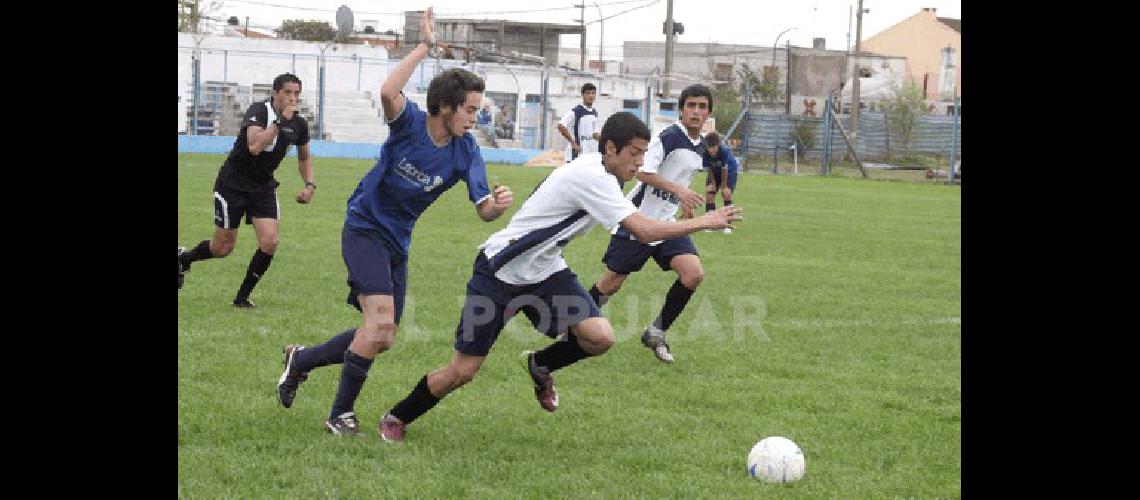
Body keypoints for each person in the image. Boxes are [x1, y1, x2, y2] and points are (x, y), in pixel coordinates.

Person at [374, 112, 741, 442]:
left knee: (599, 337)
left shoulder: (603, 174)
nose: (640, 162)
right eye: (634, 153)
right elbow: (643, 231)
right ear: (610, 148)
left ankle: (541, 364)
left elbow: (640, 225)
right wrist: (705, 221)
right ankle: (397, 416)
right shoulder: (592, 176)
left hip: (546, 270)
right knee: (463, 371)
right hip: (500, 272)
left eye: (644, 154)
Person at [273, 7, 515, 436]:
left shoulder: (467, 152)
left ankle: (302, 360)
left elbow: (482, 209)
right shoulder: (411, 124)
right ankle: (339, 416)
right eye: (471, 109)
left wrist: (497, 205)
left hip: (398, 242)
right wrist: (424, 46)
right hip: (364, 226)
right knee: (379, 323)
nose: (476, 118)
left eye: (478, 110)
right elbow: (388, 90)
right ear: (445, 107)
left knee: (382, 335)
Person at [587, 84, 716, 364]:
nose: (696, 111)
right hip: (638, 221)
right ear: (681, 110)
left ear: (708, 113)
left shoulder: (701, 145)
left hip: (667, 224)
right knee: (610, 285)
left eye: (702, 106)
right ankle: (572, 327)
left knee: (692, 274)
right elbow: (643, 173)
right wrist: (679, 192)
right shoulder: (669, 137)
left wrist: (682, 201)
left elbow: (680, 177)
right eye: (691, 105)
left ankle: (656, 332)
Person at [178, 73, 315, 307]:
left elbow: (304, 157)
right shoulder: (259, 111)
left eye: (296, 93)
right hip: (233, 184)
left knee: (270, 242)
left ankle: (242, 298)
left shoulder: (299, 124)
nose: (293, 98)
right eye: (288, 93)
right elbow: (254, 146)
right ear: (275, 93)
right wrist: (280, 121)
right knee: (223, 248)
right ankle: (184, 258)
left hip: (262, 186)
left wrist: (309, 185)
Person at [702, 131, 740, 234]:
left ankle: (728, 224)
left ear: (718, 145)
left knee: (726, 193)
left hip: (729, 171)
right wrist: (713, 184)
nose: (711, 150)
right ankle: (710, 224)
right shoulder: (705, 152)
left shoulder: (724, 151)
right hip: (714, 172)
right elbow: (709, 169)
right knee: (709, 192)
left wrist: (724, 186)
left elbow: (725, 169)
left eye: (713, 147)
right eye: (709, 147)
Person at [557, 83, 601, 163]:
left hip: (588, 154)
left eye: (593, 93)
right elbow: (561, 125)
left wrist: (606, 139)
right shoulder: (577, 111)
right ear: (583, 95)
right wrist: (573, 143)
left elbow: (595, 134)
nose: (590, 96)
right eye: (588, 93)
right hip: (576, 154)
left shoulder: (594, 112)